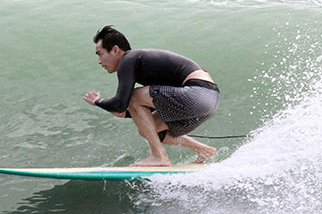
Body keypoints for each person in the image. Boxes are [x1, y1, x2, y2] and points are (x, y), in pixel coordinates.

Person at [83, 25, 220, 166]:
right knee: (149, 129)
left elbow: (121, 104)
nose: (99, 61)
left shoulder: (128, 59)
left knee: (133, 97)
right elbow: (135, 109)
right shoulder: (140, 63)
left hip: (197, 93)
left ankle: (159, 156)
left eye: (100, 54)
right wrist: (125, 112)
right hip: (209, 100)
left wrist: (97, 101)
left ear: (115, 50)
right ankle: (203, 150)